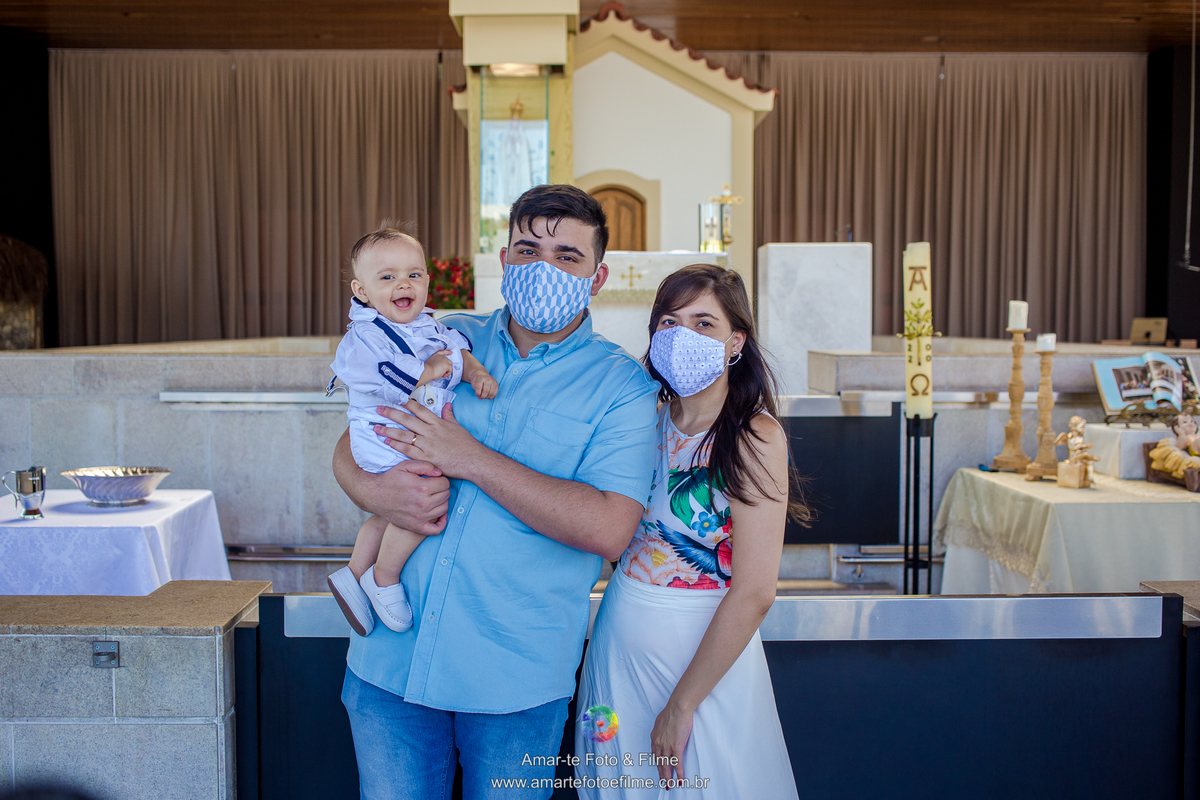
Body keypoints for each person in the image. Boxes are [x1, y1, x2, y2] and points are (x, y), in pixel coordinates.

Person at [331, 185, 660, 800]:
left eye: (567, 256)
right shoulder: (440, 337)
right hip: (390, 667)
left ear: (598, 276)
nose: (544, 267)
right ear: (504, 258)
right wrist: (379, 495)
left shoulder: (623, 389)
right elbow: (350, 445)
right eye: (528, 249)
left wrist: (471, 460)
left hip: (514, 680)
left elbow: (609, 528)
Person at [574, 264, 808, 798]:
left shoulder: (755, 436)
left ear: (735, 341)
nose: (683, 335)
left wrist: (682, 705)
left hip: (702, 666)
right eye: (669, 322)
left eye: (704, 322)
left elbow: (755, 591)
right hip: (619, 646)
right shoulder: (641, 420)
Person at [326, 228, 498, 637]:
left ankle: (353, 573)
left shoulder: (428, 326)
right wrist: (431, 370)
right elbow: (386, 376)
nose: (403, 284)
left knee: (390, 510)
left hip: (404, 431)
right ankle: (384, 576)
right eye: (386, 277)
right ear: (361, 290)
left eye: (414, 275)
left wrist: (478, 374)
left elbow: (458, 353)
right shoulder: (365, 335)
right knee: (425, 497)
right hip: (383, 432)